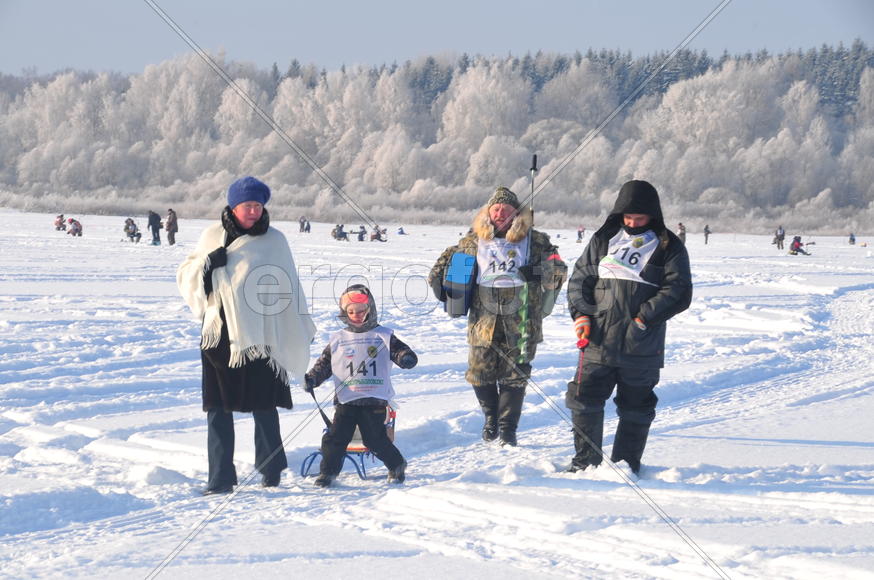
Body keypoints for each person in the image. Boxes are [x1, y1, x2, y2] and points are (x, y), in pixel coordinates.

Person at [176, 176, 316, 495]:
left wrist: (296, 325)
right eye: (247, 205)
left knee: (264, 406)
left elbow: (289, 286)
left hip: (263, 336)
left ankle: (271, 471)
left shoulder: (274, 241)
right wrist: (207, 266)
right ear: (233, 206)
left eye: (258, 205)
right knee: (217, 409)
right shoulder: (212, 236)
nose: (253, 211)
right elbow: (187, 275)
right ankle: (220, 478)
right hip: (220, 335)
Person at [565, 180, 692, 474]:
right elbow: (581, 279)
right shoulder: (604, 238)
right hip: (597, 339)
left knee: (637, 406)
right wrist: (581, 315)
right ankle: (586, 462)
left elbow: (678, 290)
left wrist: (642, 319)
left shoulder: (669, 246)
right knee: (583, 399)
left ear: (653, 215)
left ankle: (626, 465)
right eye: (628, 217)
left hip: (641, 344)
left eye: (640, 218)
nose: (633, 223)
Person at [429, 187, 567, 446]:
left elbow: (560, 269)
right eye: (496, 209)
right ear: (488, 212)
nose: (500, 213)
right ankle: (491, 417)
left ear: (516, 213)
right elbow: (446, 260)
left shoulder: (536, 240)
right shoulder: (473, 240)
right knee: (479, 373)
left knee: (515, 375)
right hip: (484, 320)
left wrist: (538, 271)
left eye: (506, 209)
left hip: (523, 320)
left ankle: (507, 429)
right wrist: (438, 282)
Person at [304, 284, 418, 487]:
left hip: (374, 399)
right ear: (344, 313)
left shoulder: (383, 335)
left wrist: (406, 357)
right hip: (346, 399)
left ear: (369, 310)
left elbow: (400, 351)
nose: (356, 315)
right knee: (335, 437)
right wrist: (313, 378)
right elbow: (325, 364)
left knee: (374, 439)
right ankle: (327, 473)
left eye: (360, 311)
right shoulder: (338, 339)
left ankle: (397, 465)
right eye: (351, 312)